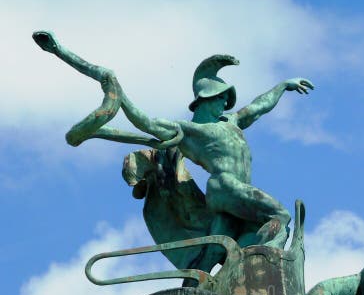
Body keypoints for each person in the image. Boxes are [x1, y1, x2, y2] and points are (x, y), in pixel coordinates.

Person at [33, 31, 313, 266]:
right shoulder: (190, 131)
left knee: (217, 253)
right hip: (226, 187)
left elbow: (259, 106)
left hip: (230, 197)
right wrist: (119, 95)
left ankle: (208, 292)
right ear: (205, 100)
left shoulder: (232, 122)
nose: (224, 104)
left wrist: (283, 86)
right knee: (280, 216)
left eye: (226, 99)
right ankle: (270, 265)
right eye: (220, 98)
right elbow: (144, 122)